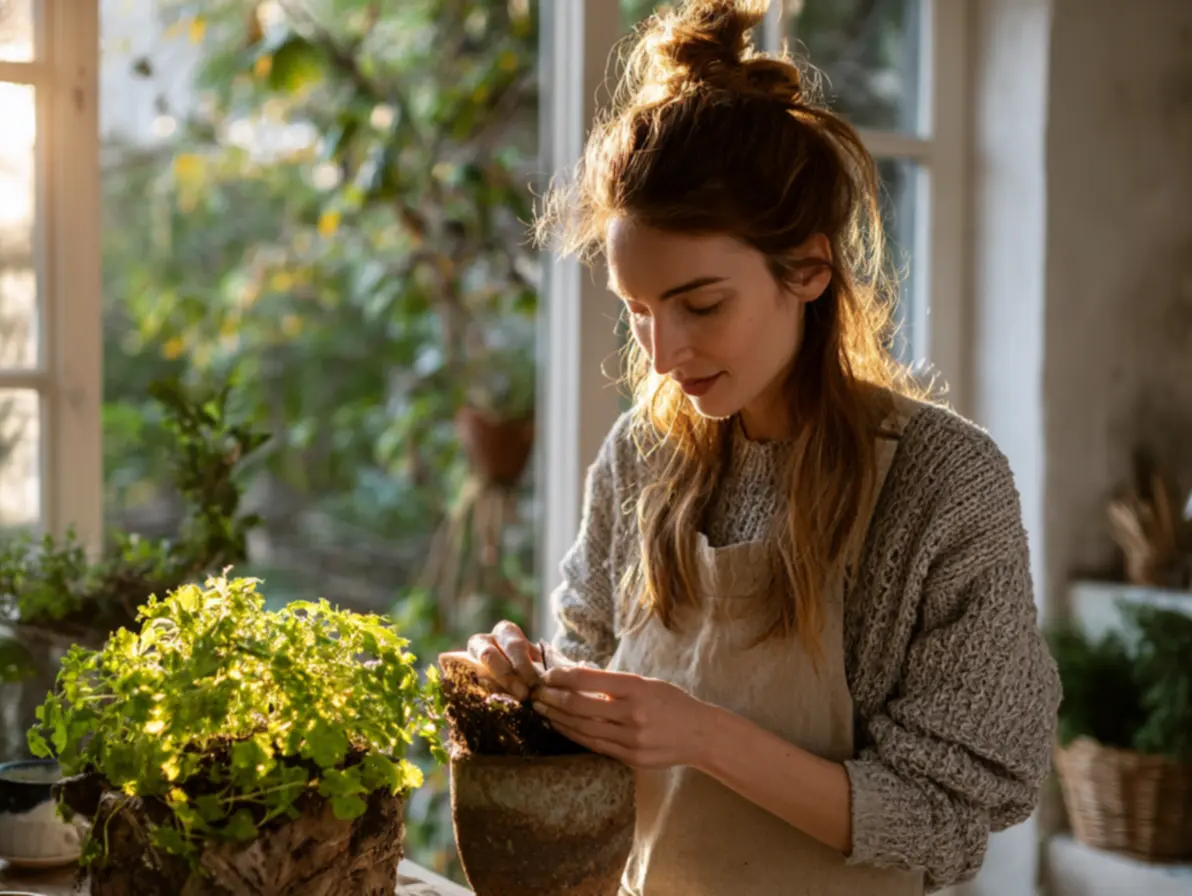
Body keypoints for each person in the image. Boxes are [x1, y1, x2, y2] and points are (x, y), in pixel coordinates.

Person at [453, 1, 1062, 893]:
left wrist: (698, 735)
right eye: (638, 311)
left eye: (700, 306)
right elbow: (589, 680)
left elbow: (942, 822)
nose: (662, 355)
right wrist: (531, 685)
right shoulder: (640, 458)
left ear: (809, 270)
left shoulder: (944, 485)